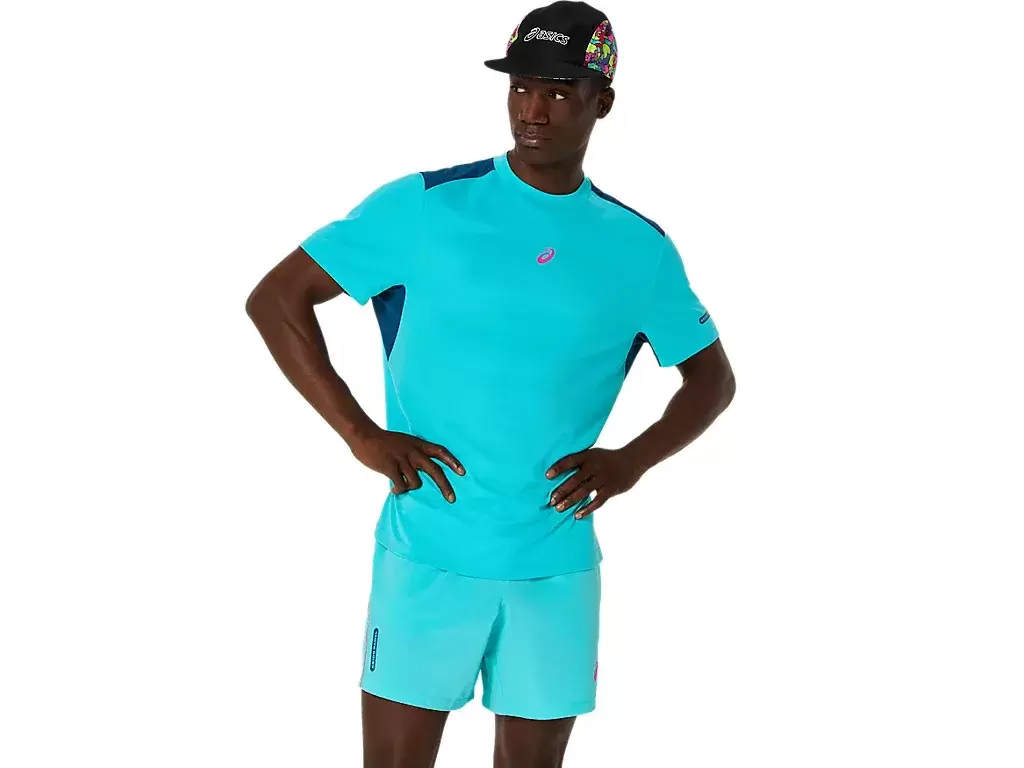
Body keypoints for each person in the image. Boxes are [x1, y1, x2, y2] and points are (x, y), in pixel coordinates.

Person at [246, 2, 736, 765]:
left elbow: (712, 380)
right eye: (521, 88)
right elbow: (277, 299)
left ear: (602, 102)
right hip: (428, 553)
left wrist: (631, 461)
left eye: (560, 92)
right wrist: (360, 434)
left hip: (555, 561)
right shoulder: (424, 206)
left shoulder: (639, 249)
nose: (533, 110)